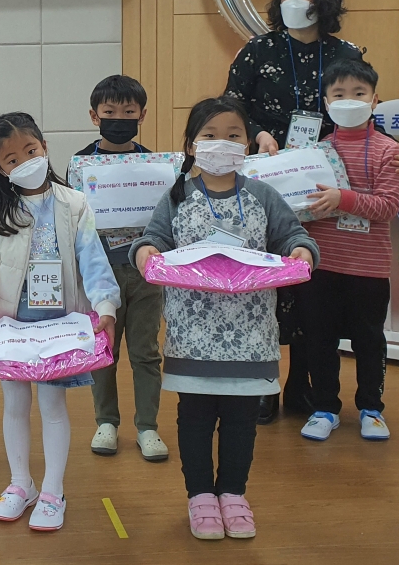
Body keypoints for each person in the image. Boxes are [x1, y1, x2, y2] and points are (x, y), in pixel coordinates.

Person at [223, 0, 399, 424]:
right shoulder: (258, 50)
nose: (295, 0)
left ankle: (302, 386)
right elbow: (231, 106)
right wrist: (258, 132)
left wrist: (397, 151)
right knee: (267, 287)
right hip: (271, 175)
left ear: (323, 0)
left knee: (312, 292)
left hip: (326, 183)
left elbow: (364, 109)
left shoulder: (345, 52)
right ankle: (265, 384)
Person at [132, 97, 317, 541]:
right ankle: (199, 496)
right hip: (191, 334)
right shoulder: (177, 196)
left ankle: (234, 494)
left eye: (233, 135)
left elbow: (294, 235)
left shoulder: (262, 195)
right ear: (191, 145)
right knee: (195, 418)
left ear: (248, 143)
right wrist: (146, 252)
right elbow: (151, 239)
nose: (222, 143)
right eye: (210, 135)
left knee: (241, 419)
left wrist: (301, 251)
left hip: (251, 335)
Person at [0, 112, 120, 532]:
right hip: (10, 325)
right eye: (12, 159)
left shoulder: (75, 204)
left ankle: (52, 490)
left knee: (52, 406)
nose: (25, 162)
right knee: (14, 404)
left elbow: (93, 260)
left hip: (60, 325)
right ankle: (20, 484)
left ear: (45, 147)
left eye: (31, 151)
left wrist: (106, 306)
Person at [292, 59, 399, 442]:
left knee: (369, 341)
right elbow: (301, 208)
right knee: (319, 341)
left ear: (375, 100)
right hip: (322, 265)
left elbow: (388, 206)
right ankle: (325, 408)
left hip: (369, 269)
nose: (349, 100)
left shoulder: (389, 151)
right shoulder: (314, 151)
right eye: (339, 94)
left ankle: (372, 409)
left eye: (359, 93)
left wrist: (343, 198)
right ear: (326, 102)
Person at [73, 75, 167, 462]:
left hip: (145, 274)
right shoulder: (79, 165)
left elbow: (165, 218)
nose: (119, 119)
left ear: (142, 115)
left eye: (129, 112)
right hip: (100, 275)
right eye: (110, 112)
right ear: (94, 115)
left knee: (146, 352)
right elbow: (72, 219)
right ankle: (106, 422)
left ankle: (148, 427)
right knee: (104, 350)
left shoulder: (156, 167)